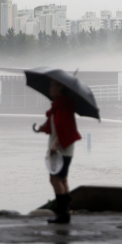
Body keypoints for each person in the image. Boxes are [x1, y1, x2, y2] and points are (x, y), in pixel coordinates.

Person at [36, 80, 82, 224]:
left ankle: (62, 213)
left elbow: (66, 128)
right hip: (63, 148)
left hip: (61, 148)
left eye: (52, 85)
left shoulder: (63, 105)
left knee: (55, 179)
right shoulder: (59, 106)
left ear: (60, 88)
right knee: (61, 179)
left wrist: (55, 144)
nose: (50, 88)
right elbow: (57, 127)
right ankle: (65, 212)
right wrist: (44, 128)